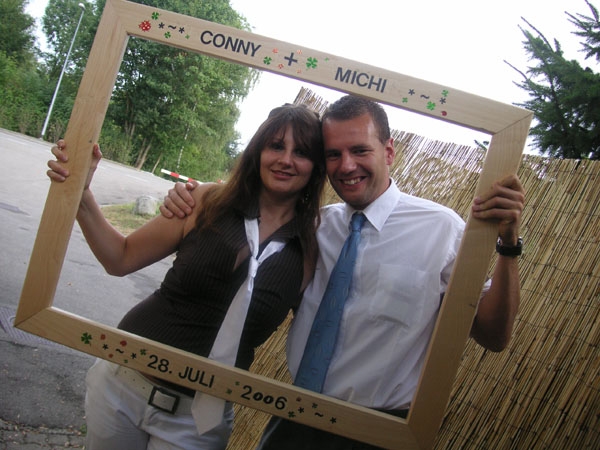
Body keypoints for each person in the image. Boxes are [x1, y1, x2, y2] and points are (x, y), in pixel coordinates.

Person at [161, 95, 525, 450]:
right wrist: (195, 198)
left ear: (389, 151)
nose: (346, 166)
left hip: (379, 432)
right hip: (292, 419)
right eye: (333, 154)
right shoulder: (315, 227)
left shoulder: (442, 230)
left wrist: (508, 246)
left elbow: (494, 336)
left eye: (360, 150)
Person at [45, 104, 326, 450]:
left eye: (301, 152)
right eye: (276, 146)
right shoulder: (205, 200)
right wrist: (81, 192)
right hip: (122, 386)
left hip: (198, 421)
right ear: (258, 151)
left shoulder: (312, 247)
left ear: (316, 166)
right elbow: (120, 258)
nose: (286, 160)